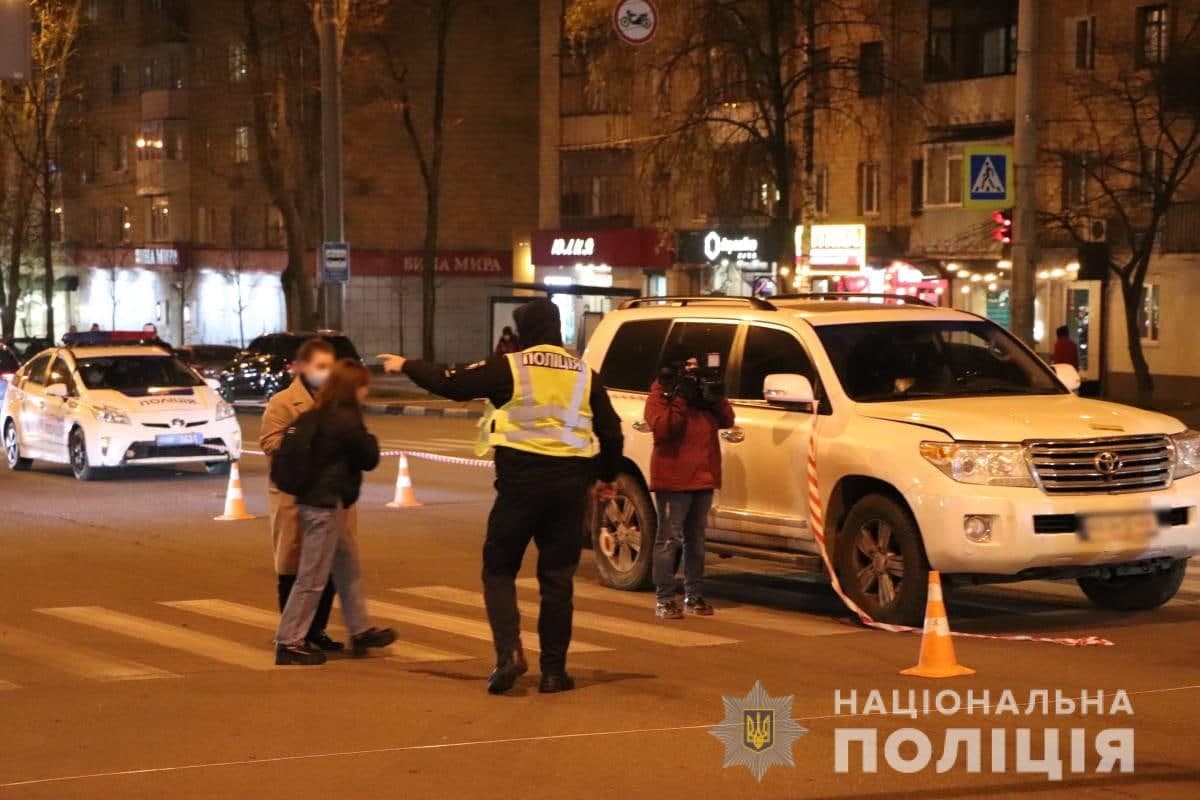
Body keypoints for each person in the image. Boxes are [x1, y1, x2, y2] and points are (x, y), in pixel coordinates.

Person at [379, 298, 623, 695]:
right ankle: (554, 673)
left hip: (520, 487)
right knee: (557, 579)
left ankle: (509, 653)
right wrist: (606, 477)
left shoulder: (511, 367)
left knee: (499, 570)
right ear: (556, 330)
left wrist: (407, 364)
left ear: (525, 332)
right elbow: (611, 432)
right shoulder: (585, 374)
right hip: (569, 490)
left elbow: (451, 383)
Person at [274, 359, 395, 665]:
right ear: (353, 388)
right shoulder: (345, 419)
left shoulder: (318, 414)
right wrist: (368, 436)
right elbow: (369, 457)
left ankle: (360, 629)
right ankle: (289, 642)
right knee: (312, 577)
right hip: (324, 506)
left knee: (347, 568)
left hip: (320, 502)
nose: (367, 392)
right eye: (363, 386)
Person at [260, 338, 342, 653]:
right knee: (293, 567)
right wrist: (309, 444)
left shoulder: (336, 400)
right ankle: (293, 633)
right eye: (320, 366)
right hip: (293, 492)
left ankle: (316, 629)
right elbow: (269, 442)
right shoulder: (283, 401)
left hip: (328, 493)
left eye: (329, 366)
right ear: (304, 367)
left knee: (327, 567)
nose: (326, 372)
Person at [645, 356, 735, 619]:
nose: (692, 373)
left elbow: (727, 419)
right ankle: (665, 599)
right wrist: (681, 398)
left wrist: (714, 393)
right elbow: (663, 429)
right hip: (673, 479)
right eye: (688, 368)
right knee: (669, 539)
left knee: (695, 540)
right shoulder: (660, 394)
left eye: (695, 367)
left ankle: (694, 595)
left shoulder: (704, 396)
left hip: (703, 477)